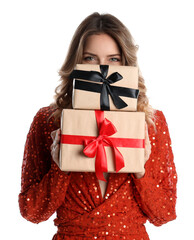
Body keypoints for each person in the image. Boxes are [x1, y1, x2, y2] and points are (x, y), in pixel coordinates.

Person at [18, 12, 177, 240]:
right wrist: (59, 168)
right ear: (76, 62)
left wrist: (141, 172)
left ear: (127, 63)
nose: (103, 72)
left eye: (113, 59)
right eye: (90, 58)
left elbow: (165, 214)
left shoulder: (151, 123)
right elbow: (31, 212)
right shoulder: (49, 121)